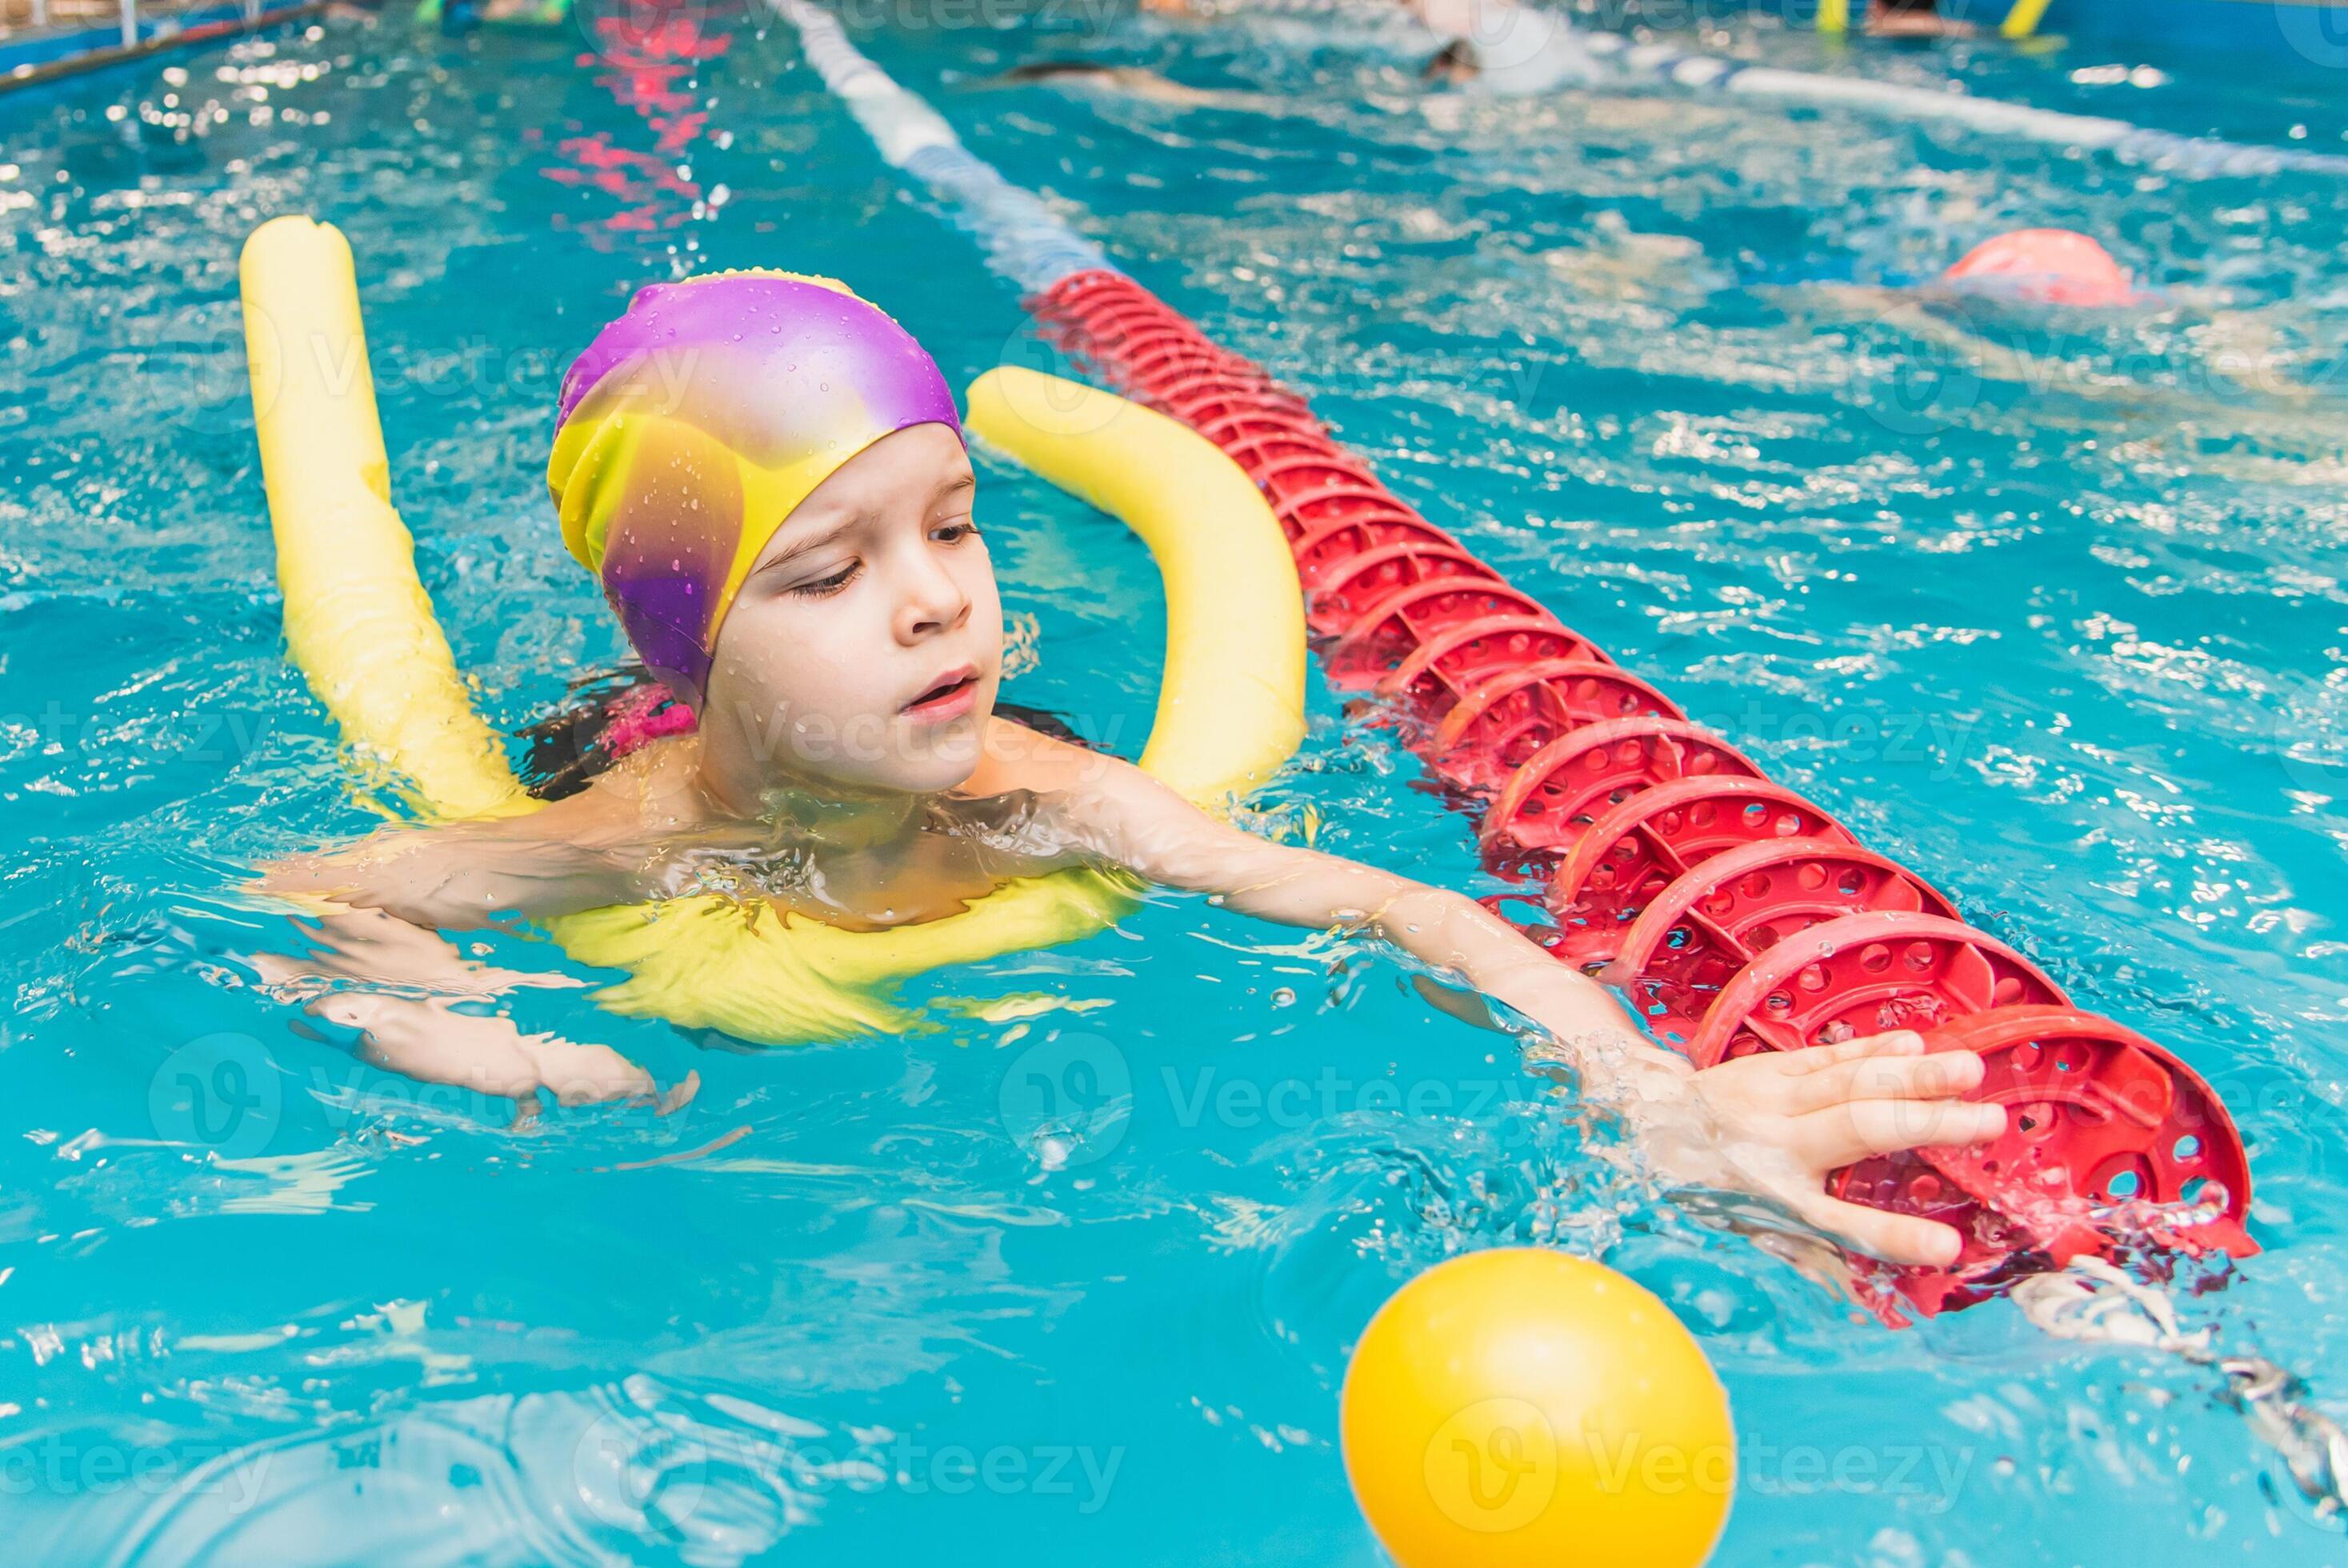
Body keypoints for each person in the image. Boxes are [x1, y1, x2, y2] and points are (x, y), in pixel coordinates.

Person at [258, 269, 2006, 1272]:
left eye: (952, 519)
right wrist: (453, 1015)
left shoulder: (1026, 797)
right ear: (690, 641)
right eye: (827, 568)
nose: (938, 593)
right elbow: (307, 896)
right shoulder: (643, 833)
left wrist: (1634, 1080)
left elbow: (1381, 898)